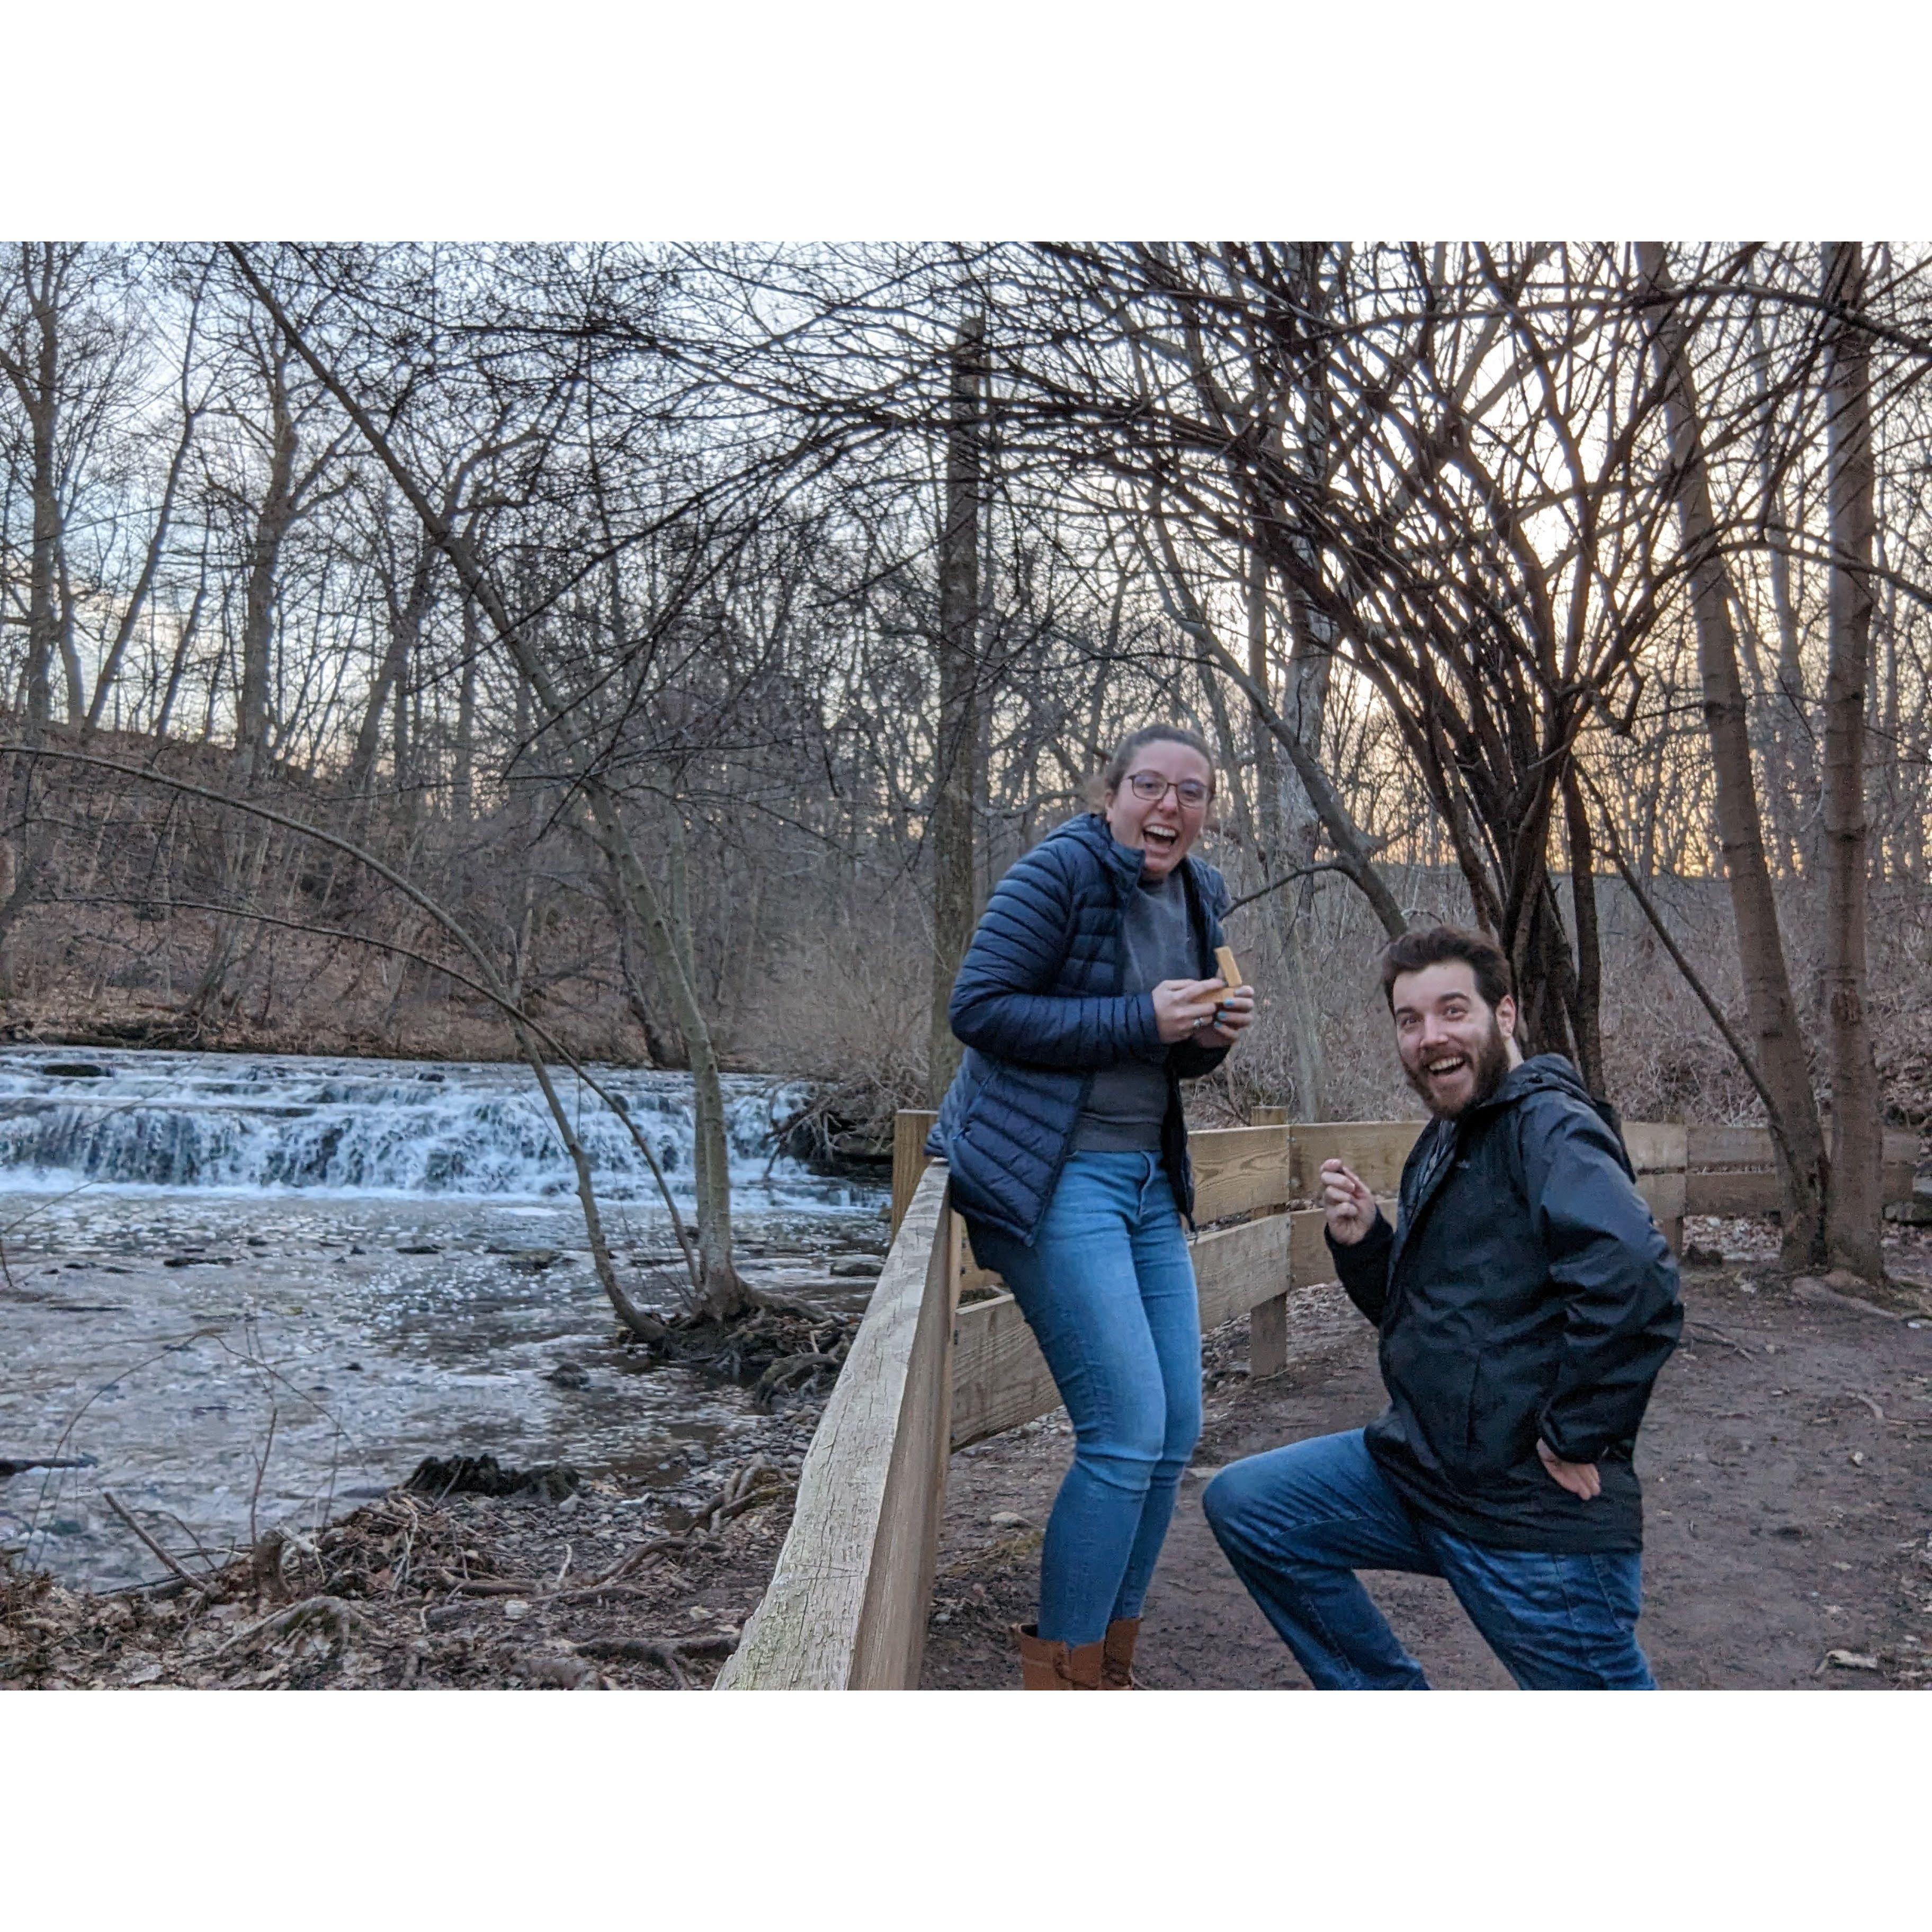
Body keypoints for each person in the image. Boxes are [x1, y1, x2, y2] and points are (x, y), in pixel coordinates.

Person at [1203, 925, 1682, 1689]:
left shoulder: (1548, 1128)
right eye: (1410, 1019)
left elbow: (1638, 1279)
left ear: (1506, 1015)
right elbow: (1435, 1312)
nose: (1431, 1037)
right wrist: (1366, 1243)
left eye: (1452, 1010)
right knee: (1252, 1506)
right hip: (1422, 1474)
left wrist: (1578, 1432)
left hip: (1527, 1520)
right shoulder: (1451, 1135)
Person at [927, 724, 1256, 1688]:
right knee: (1122, 1430)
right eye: (1149, 785)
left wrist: (1210, 1036)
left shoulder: (1203, 893)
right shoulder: (1056, 874)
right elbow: (979, 1008)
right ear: (1111, 791)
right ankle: (1058, 1683)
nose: (1169, 807)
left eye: (1190, 792)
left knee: (1176, 1427)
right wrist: (1139, 1016)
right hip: (1051, 1175)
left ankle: (1110, 1661)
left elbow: (1170, 1055)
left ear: (1205, 810)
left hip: (1148, 1182)